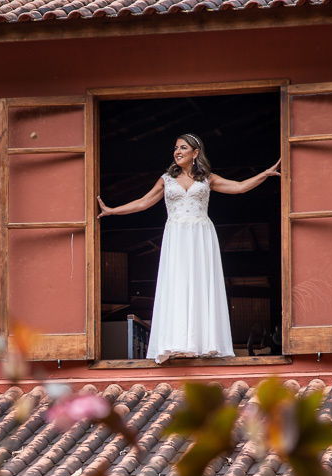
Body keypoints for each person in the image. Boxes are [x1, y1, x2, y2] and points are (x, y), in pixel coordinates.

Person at [97, 134, 280, 363]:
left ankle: (204, 343)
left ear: (195, 153)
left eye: (183, 147)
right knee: (177, 284)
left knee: (201, 284)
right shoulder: (166, 179)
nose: (177, 151)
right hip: (176, 236)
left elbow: (240, 187)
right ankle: (177, 343)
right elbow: (143, 202)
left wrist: (264, 174)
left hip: (201, 236)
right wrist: (113, 211)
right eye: (175, 148)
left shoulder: (208, 179)